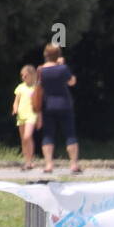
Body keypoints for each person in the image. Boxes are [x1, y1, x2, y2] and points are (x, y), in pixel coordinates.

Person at [37, 43, 80, 175]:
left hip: (48, 104)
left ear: (46, 55)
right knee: (70, 134)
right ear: (58, 55)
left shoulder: (41, 70)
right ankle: (73, 164)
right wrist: (62, 65)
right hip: (64, 104)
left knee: (48, 134)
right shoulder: (63, 69)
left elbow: (39, 88)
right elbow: (72, 82)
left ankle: (49, 164)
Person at [12, 64, 40, 170]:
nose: (23, 78)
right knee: (23, 140)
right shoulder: (20, 87)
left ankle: (30, 159)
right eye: (22, 76)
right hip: (21, 115)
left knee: (27, 136)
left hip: (31, 115)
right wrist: (15, 109)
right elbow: (16, 102)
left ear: (32, 75)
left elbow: (39, 102)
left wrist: (39, 116)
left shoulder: (36, 87)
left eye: (25, 76)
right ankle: (27, 161)